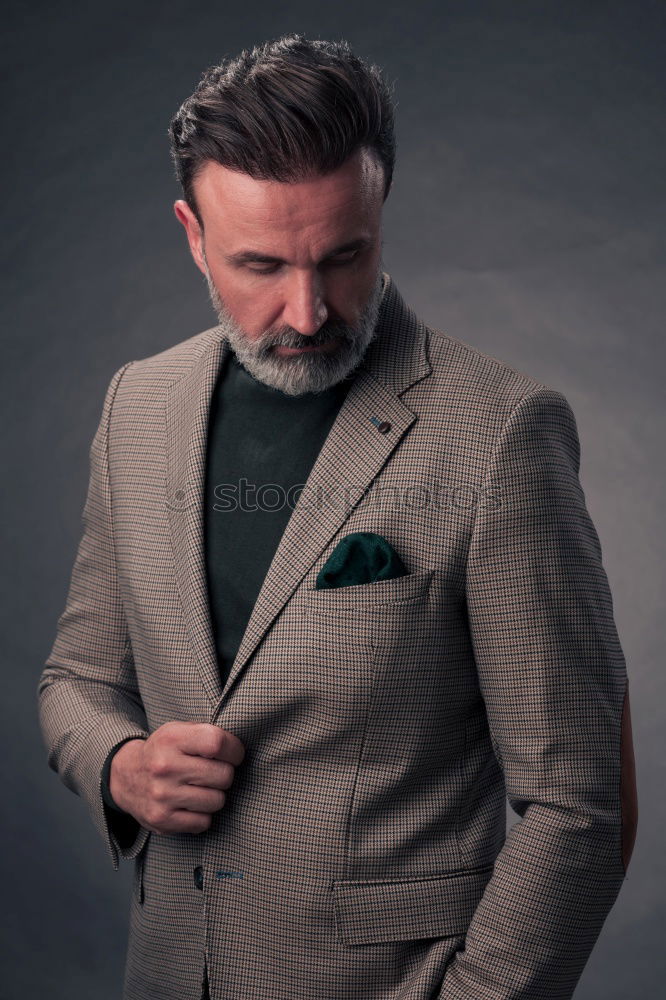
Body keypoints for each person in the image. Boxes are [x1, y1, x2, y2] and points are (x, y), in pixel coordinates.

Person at [38, 32, 637, 1000]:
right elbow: (76, 676)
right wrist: (118, 763)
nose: (310, 311)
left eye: (345, 257)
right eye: (261, 265)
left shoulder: (500, 431)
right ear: (194, 235)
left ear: (380, 213)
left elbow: (580, 801)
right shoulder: (136, 406)